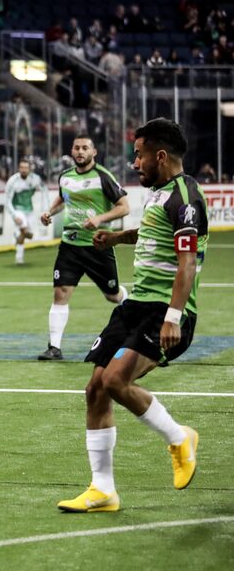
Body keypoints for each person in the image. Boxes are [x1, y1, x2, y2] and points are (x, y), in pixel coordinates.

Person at [57, 118, 207, 513]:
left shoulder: (185, 196)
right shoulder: (159, 195)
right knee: (94, 389)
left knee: (114, 380)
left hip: (164, 311)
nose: (134, 163)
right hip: (136, 305)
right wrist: (119, 237)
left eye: (139, 155)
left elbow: (187, 262)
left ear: (161, 155)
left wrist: (173, 317)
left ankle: (180, 438)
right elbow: (153, 233)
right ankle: (103, 490)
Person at [38, 135, 130, 360]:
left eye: (85, 148)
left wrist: (100, 219)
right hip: (70, 245)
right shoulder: (65, 176)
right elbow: (62, 199)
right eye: (77, 147)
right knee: (60, 293)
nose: (80, 151)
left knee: (113, 295)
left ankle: (131, 311)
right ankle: (55, 348)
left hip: (98, 245)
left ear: (94, 152)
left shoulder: (103, 177)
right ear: (72, 150)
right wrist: (50, 212)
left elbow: (124, 207)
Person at [5, 160, 48, 264]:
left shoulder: (35, 179)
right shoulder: (12, 181)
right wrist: (14, 215)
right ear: (19, 168)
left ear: (29, 169)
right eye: (21, 167)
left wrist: (45, 209)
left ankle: (17, 236)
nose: (23, 170)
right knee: (23, 228)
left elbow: (44, 190)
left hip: (30, 210)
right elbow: (7, 201)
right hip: (17, 210)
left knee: (30, 234)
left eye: (26, 168)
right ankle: (19, 258)